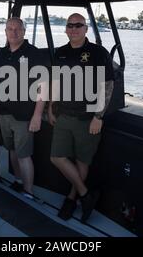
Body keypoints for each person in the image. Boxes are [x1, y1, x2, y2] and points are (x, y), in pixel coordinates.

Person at [49, 13, 114, 222]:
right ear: (66, 29)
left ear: (86, 29)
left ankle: (72, 198)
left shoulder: (98, 53)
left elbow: (107, 86)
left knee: (82, 161)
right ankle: (86, 195)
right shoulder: (60, 53)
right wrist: (51, 107)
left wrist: (99, 116)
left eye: (79, 25)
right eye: (70, 25)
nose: (74, 28)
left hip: (88, 118)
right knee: (56, 157)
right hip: (63, 115)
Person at [0, 17, 46, 198]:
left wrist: (38, 114)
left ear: (24, 31)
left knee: (24, 155)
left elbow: (43, 86)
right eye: (10, 29)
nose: (13, 32)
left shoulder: (34, 53)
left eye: (17, 29)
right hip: (4, 113)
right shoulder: (1, 53)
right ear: (5, 31)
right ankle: (18, 181)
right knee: (12, 150)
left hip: (24, 115)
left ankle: (28, 192)